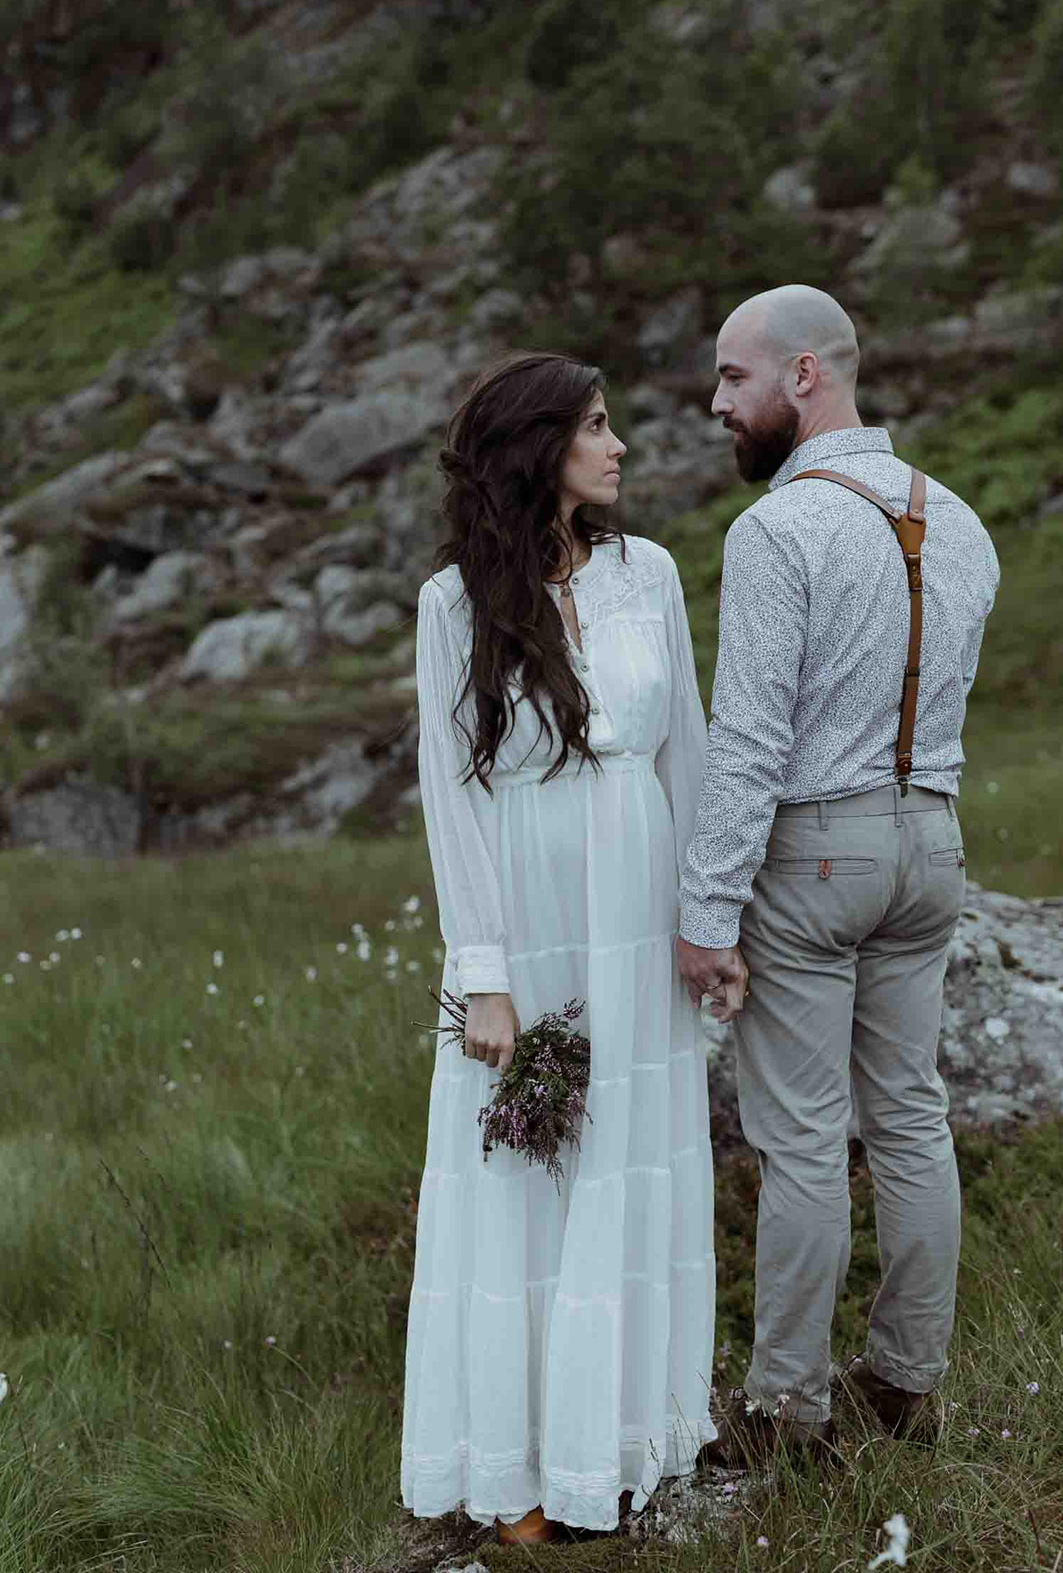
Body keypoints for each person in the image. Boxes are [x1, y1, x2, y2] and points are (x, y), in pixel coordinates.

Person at [677, 286, 999, 1461]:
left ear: (803, 374)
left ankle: (782, 1412)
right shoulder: (958, 519)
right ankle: (905, 1385)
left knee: (804, 1138)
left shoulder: (776, 530)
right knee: (912, 1117)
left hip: (816, 849)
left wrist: (707, 914)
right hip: (932, 839)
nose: (717, 403)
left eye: (731, 378)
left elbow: (749, 738)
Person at [401, 352, 717, 1543]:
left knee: (630, 1167)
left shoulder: (652, 575)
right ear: (537, 448)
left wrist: (706, 921)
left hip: (636, 921)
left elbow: (683, 751)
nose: (618, 445)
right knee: (524, 1178)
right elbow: (452, 798)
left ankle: (619, 1446)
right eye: (594, 426)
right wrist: (484, 976)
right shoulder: (453, 603)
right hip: (526, 928)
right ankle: (522, 1472)